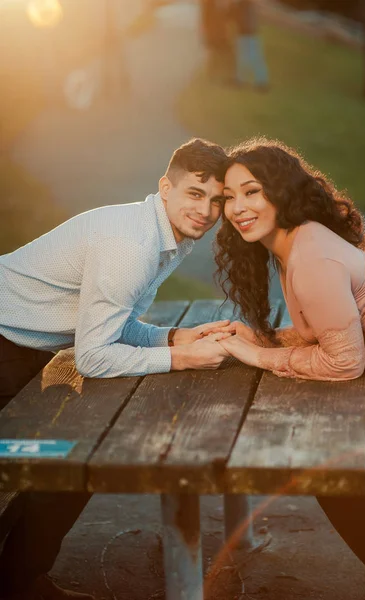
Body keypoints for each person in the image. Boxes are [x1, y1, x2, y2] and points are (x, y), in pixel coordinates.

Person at [0, 137, 231, 600]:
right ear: (166, 187)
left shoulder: (160, 231)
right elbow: (93, 356)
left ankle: (18, 579)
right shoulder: (132, 244)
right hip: (7, 340)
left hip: (24, 343)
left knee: (68, 462)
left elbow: (114, 325)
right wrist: (182, 358)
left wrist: (172, 337)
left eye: (217, 200)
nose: (206, 210)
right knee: (65, 463)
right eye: (195, 193)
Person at [211, 137, 365, 599]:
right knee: (336, 470)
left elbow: (344, 361)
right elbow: (337, 332)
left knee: (335, 475)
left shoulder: (310, 256)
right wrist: (267, 339)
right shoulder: (294, 242)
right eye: (229, 197)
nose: (238, 207)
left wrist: (260, 356)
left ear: (280, 191)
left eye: (252, 191)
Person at [230, 0, 269, 91]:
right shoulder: (243, 4)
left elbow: (243, 18)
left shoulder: (247, 4)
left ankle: (261, 82)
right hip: (244, 34)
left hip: (249, 34)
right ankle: (241, 79)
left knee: (255, 58)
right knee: (241, 58)